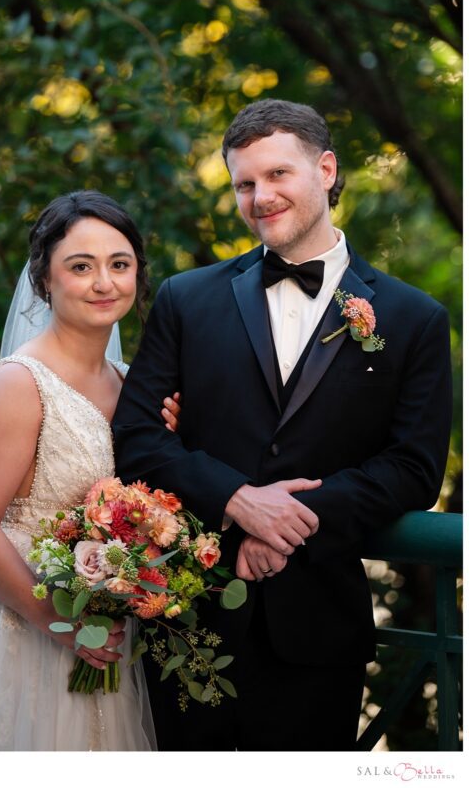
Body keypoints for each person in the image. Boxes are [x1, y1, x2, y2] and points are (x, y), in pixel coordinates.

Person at [113, 99, 452, 750]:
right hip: (187, 616)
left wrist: (290, 522)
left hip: (319, 629)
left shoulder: (414, 318)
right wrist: (239, 501)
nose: (260, 196)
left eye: (277, 175)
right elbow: (137, 437)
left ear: (325, 169)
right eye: (244, 183)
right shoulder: (187, 298)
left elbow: (413, 468)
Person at [0, 190, 181, 751]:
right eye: (81, 267)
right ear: (45, 279)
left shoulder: (132, 383)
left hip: (109, 625)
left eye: (119, 265)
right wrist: (63, 625)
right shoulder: (18, 383)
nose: (104, 283)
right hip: (30, 625)